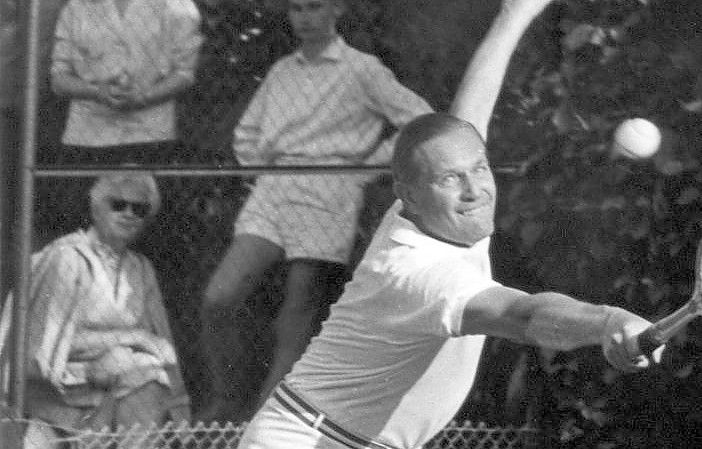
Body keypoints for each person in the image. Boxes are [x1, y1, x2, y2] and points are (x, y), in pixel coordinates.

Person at [237, 0, 663, 448]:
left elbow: (466, 120)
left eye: (479, 169)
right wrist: (607, 321)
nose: (474, 190)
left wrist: (514, 15)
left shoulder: (427, 213)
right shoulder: (421, 275)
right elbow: (526, 315)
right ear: (411, 195)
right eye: (450, 179)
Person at [200, 0, 433, 422]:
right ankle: (227, 401)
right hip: (275, 188)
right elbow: (248, 132)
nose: (304, 18)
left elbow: (419, 119)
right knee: (221, 296)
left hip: (329, 189)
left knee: (298, 310)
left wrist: (365, 168)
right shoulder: (282, 71)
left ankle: (264, 420)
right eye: (296, 9)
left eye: (314, 7)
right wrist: (259, 172)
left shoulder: (362, 68)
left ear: (336, 11)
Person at [0, 173, 190, 448]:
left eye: (139, 209)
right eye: (118, 204)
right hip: (56, 386)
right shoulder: (66, 258)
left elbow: (160, 345)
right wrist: (127, 341)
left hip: (114, 379)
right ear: (96, 208)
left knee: (150, 372)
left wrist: (125, 352)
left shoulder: (141, 268)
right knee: (140, 368)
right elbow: (40, 347)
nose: (129, 214)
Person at [49, 0, 203, 165]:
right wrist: (95, 91)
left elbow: (185, 73)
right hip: (86, 135)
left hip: (150, 134)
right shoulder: (76, 8)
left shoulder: (178, 7)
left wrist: (144, 97)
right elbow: (59, 79)